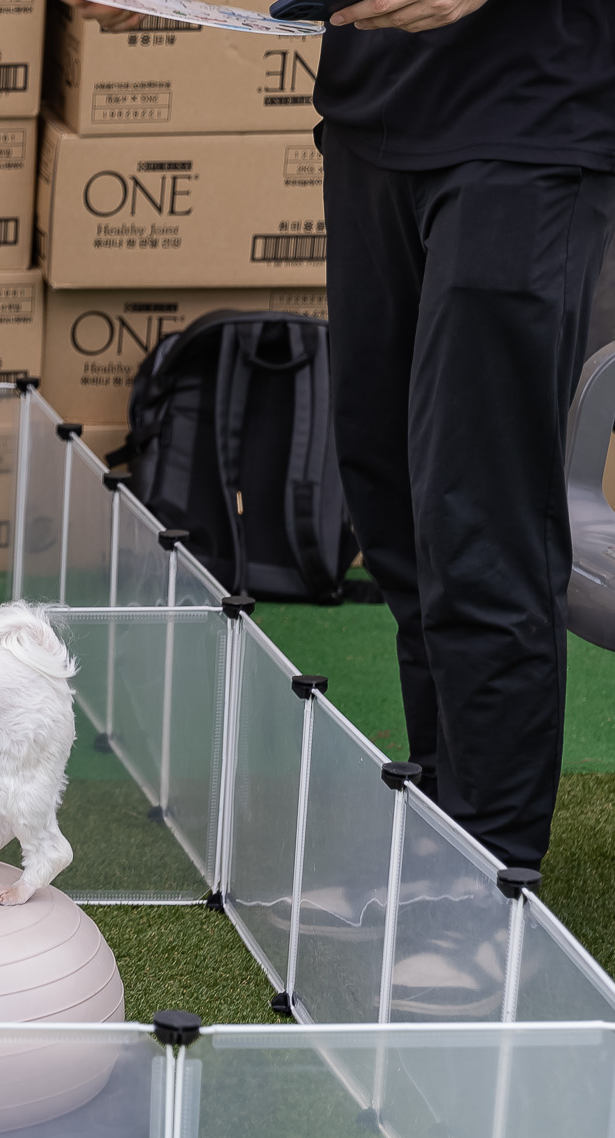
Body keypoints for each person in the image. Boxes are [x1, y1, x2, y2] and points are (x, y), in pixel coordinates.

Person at [309, 0, 614, 872]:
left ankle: (491, 885)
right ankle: (443, 841)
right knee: (394, 507)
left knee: (479, 516)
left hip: (527, 122)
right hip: (373, 110)